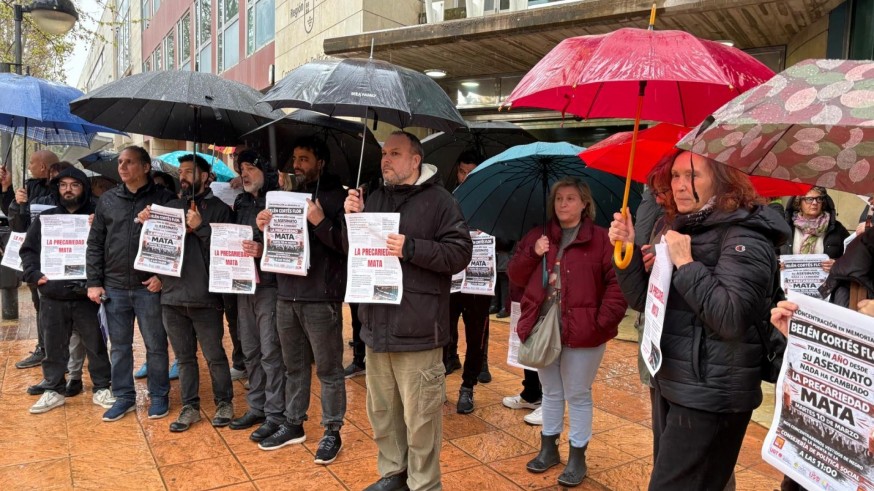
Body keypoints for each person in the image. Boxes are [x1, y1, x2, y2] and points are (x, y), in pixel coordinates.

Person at [608, 149, 790, 490]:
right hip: (674, 380)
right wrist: (629, 249)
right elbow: (643, 302)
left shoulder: (746, 236)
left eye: (693, 176)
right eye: (675, 176)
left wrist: (687, 264)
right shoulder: (685, 228)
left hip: (713, 393)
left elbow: (731, 317)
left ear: (723, 181)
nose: (680, 185)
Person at [344, 131, 473, 490]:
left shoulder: (440, 201)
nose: (385, 160)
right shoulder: (370, 197)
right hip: (375, 327)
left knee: (421, 420)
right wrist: (350, 218)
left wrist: (413, 248)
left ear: (415, 160)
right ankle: (393, 475)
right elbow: (351, 252)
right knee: (383, 414)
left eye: (395, 153)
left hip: (418, 330)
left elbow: (461, 254)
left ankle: (424, 484)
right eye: (384, 153)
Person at [510, 177, 627, 487]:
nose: (563, 204)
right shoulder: (540, 235)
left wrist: (601, 322)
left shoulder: (602, 239)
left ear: (584, 203)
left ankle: (578, 457)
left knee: (577, 394)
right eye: (559, 198)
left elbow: (618, 285)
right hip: (545, 328)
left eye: (571, 198)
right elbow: (515, 275)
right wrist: (533, 253)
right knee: (551, 392)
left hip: (584, 332)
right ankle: (548, 449)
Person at [254, 137, 348, 465]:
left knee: (329, 368)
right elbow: (274, 244)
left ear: (320, 162)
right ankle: (294, 424)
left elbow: (348, 246)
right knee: (293, 365)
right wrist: (263, 226)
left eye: (304, 159)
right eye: (295, 158)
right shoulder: (285, 199)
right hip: (286, 293)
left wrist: (321, 221)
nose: (297, 165)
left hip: (321, 298)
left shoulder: (338, 198)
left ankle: (332, 430)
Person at [137, 153, 234, 432]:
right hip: (172, 297)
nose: (183, 176)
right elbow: (157, 250)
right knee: (184, 357)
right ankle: (190, 406)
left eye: (190, 171)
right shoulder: (168, 207)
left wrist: (200, 227)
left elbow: (225, 252)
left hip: (206, 297)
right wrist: (145, 222)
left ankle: (224, 401)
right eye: (181, 171)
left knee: (214, 355)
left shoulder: (220, 209)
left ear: (205, 176)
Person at [86, 145, 175, 422]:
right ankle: (124, 396)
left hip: (148, 286)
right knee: (120, 346)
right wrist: (94, 282)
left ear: (146, 167)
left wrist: (164, 276)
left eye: (129, 162)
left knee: (156, 344)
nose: (122, 168)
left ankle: (159, 395)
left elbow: (176, 243)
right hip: (113, 287)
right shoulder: (108, 200)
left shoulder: (165, 199)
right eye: (120, 163)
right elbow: (96, 243)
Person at [20, 167, 114, 414]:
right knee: (53, 346)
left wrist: (100, 227)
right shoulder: (46, 219)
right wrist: (34, 274)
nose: (68, 189)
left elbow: (110, 251)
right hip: (53, 294)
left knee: (96, 344)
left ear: (83, 188)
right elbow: (28, 251)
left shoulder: (96, 217)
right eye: (63, 185)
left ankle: (102, 387)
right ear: (57, 188)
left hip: (86, 295)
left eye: (75, 184)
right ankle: (54, 389)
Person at [228, 150, 288, 441]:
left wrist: (263, 249)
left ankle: (276, 413)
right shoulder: (240, 201)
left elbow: (290, 245)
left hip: (269, 285)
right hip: (243, 283)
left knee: (270, 351)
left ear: (266, 168)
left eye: (251, 167)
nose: (245, 173)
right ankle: (257, 405)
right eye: (242, 168)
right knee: (250, 349)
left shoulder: (278, 200)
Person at [444, 150, 491, 414]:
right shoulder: (446, 199)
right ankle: (440, 378)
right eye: (462, 171)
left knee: (476, 338)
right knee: (442, 333)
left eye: (471, 172)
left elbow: (507, 240)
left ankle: (467, 387)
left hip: (479, 285)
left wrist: (490, 235)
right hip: (450, 282)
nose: (466, 177)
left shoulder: (493, 202)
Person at [1, 150, 58, 370]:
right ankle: (43, 348)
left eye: (32, 163)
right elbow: (16, 219)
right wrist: (10, 193)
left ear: (43, 167)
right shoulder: (30, 186)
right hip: (36, 258)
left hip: (57, 256)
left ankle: (63, 348)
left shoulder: (60, 186)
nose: (29, 166)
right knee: (40, 305)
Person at [781, 187, 848, 272]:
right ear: (799, 203)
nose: (815, 203)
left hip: (827, 283)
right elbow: (772, 254)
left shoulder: (837, 228)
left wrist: (837, 265)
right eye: (809, 199)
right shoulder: (785, 228)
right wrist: (778, 264)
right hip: (791, 282)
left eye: (819, 199)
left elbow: (852, 258)